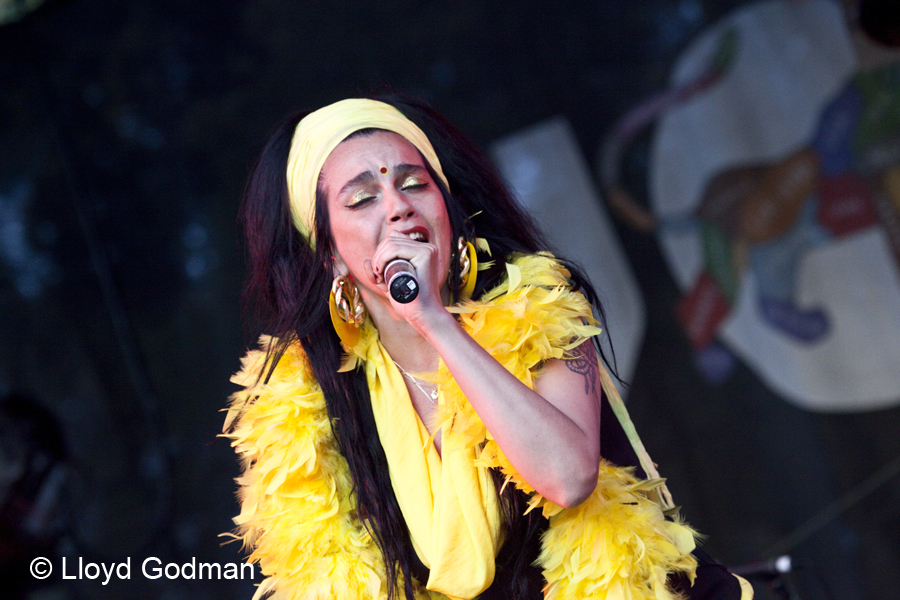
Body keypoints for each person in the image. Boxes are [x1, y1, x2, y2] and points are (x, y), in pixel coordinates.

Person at [224, 96, 751, 600]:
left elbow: (568, 477)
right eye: (362, 199)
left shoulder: (537, 301)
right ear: (329, 256)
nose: (399, 207)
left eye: (415, 185)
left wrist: (432, 320)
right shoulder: (321, 398)